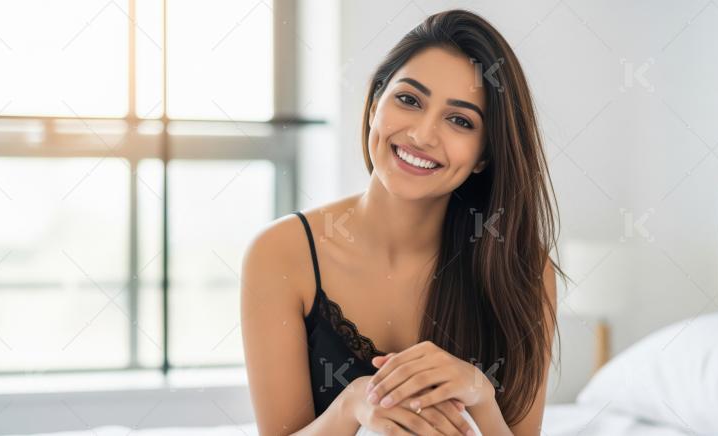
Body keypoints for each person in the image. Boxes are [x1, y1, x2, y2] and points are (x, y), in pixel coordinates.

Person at [241, 8, 567, 436]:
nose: (422, 135)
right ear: (374, 104)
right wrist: (351, 405)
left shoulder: (523, 268)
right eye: (409, 100)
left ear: (484, 155)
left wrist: (480, 395)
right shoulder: (281, 253)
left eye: (460, 120)